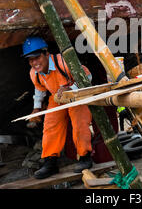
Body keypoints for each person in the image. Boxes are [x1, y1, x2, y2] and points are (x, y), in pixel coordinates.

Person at [22, 36, 93, 178]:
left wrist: (71, 88)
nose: (34, 62)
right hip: (57, 97)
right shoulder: (34, 73)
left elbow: (88, 76)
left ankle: (85, 157)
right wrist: (37, 108)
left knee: (80, 123)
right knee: (50, 126)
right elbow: (40, 89)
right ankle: (50, 163)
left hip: (76, 94)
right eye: (31, 60)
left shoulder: (64, 62)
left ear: (46, 54)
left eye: (37, 57)